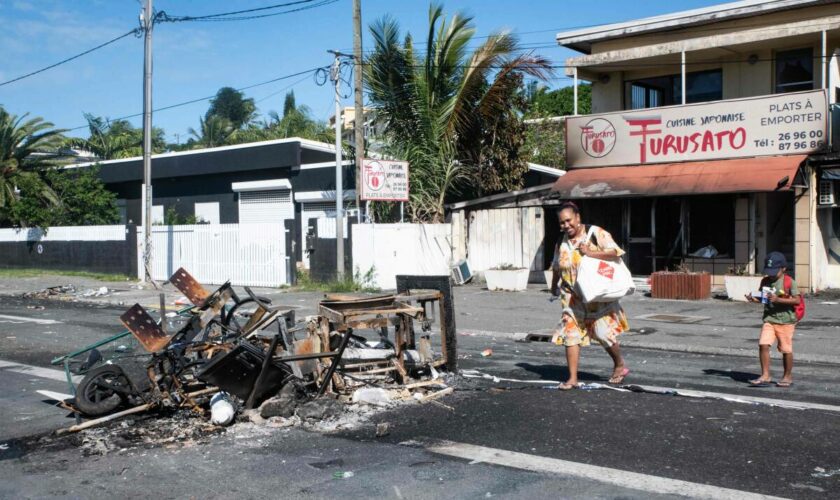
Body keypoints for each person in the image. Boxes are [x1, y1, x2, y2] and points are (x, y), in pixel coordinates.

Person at [549, 201, 630, 390]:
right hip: (571, 297)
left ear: (578, 218)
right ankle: (572, 379)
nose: (566, 225)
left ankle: (619, 363)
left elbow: (616, 252)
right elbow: (556, 266)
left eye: (569, 220)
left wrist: (591, 252)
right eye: (562, 223)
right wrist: (554, 287)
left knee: (603, 334)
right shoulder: (561, 242)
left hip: (596, 296)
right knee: (570, 333)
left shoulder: (595, 233)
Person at [744, 251, 800, 387]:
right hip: (769, 319)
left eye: (774, 271)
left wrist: (778, 299)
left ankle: (787, 376)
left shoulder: (789, 282)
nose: (771, 274)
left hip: (786, 321)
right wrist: (754, 298)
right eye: (769, 271)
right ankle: (765, 375)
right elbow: (763, 298)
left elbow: (797, 300)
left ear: (783, 269)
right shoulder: (765, 281)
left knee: (786, 349)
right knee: (763, 344)